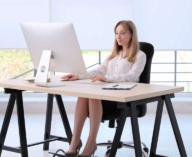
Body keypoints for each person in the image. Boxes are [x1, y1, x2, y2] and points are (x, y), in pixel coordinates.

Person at [60, 20, 146, 157]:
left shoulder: (140, 55)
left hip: (125, 98)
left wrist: (107, 78)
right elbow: (98, 70)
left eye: (123, 33)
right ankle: (75, 141)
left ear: (131, 34)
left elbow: (132, 76)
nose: (118, 36)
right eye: (116, 33)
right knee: (83, 94)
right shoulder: (113, 56)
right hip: (107, 95)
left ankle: (91, 143)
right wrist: (79, 75)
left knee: (93, 95)